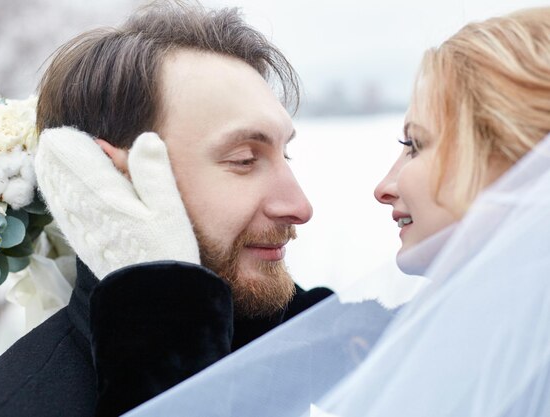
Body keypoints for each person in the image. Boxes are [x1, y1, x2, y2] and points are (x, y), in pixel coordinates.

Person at [0, 2, 396, 417]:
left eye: (286, 155)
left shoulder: (324, 349)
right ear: (106, 179)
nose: (299, 206)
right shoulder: (20, 405)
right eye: (244, 160)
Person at [118, 7, 550, 417]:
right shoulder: (482, 343)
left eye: (415, 145)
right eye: (246, 159)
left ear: (517, 162)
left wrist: (161, 295)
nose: (384, 187)